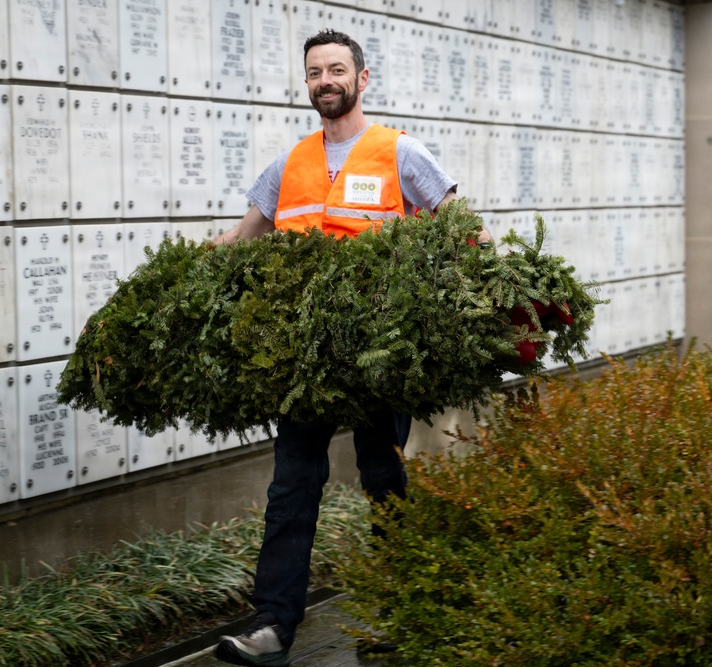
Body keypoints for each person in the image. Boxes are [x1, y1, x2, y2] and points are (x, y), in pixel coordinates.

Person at [212, 29, 488, 667]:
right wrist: (172, 275)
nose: (325, 80)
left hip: (379, 355)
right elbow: (243, 235)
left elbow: (462, 230)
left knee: (383, 477)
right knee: (291, 486)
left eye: (337, 69)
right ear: (308, 85)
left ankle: (402, 609)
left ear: (363, 79)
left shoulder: (400, 153)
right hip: (307, 357)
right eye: (315, 73)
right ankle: (273, 629)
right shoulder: (291, 165)